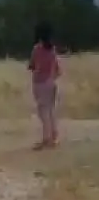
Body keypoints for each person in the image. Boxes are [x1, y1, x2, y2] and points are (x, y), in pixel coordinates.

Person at [28, 22, 62, 150]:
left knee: (43, 112)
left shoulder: (37, 49)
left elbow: (32, 65)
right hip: (52, 82)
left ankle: (46, 139)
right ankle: (54, 136)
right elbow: (58, 69)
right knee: (51, 110)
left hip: (40, 83)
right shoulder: (53, 50)